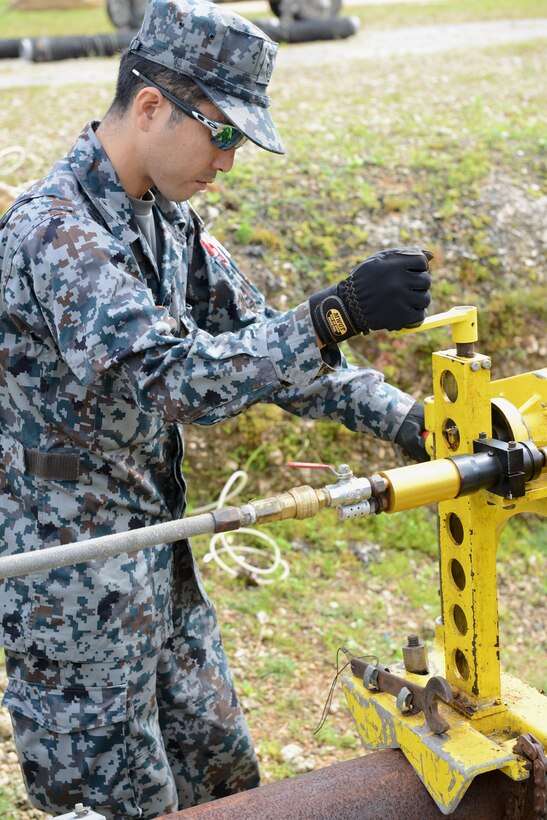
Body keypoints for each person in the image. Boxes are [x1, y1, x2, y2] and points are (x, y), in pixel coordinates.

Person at [0, 0, 432, 816]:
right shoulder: (55, 232)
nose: (228, 161)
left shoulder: (169, 220)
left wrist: (404, 418)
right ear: (153, 106)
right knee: (120, 799)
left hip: (156, 545)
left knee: (222, 779)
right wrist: (331, 314)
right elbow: (174, 379)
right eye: (223, 134)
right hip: (70, 568)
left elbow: (267, 351)